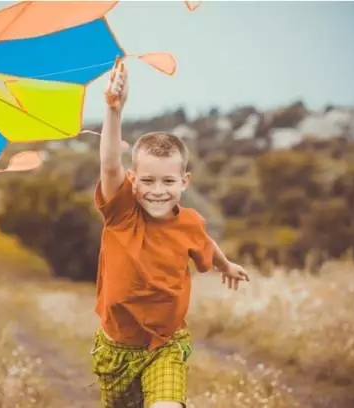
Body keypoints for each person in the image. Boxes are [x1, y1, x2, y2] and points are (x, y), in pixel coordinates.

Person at [90, 61, 250, 408]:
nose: (158, 190)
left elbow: (204, 242)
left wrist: (225, 265)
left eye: (168, 181)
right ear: (133, 179)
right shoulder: (121, 213)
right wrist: (114, 110)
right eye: (147, 180)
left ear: (184, 181)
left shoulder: (190, 222)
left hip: (166, 345)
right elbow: (110, 164)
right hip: (116, 348)